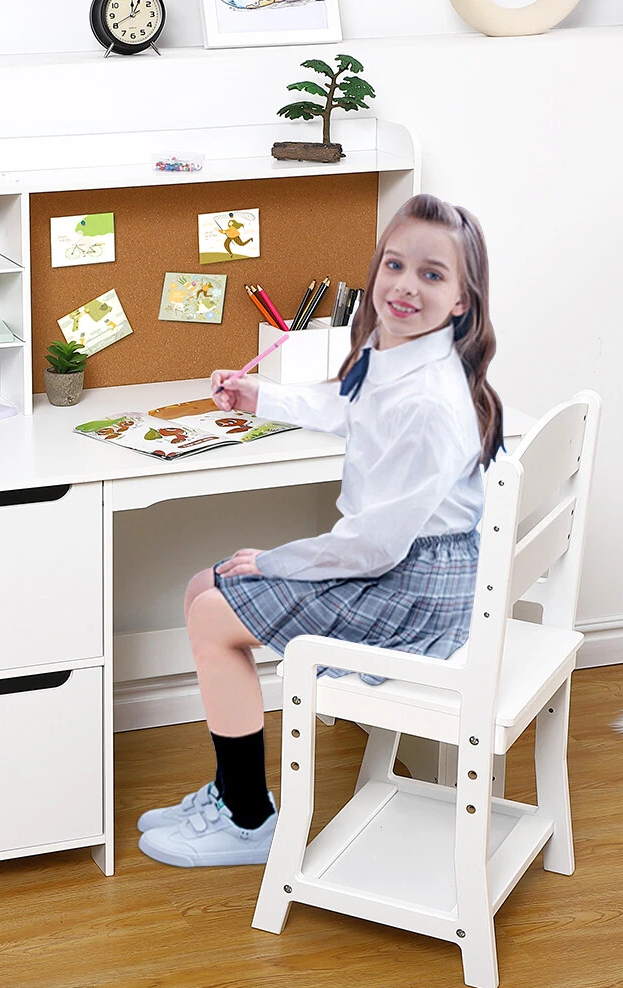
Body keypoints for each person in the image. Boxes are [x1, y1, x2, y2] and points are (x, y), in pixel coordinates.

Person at [137, 193, 504, 868]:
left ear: (460, 300)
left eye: (431, 274)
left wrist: (277, 560)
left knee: (213, 613)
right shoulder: (396, 352)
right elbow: (349, 407)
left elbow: (373, 545)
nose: (402, 285)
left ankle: (247, 819)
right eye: (394, 264)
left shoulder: (428, 401)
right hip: (406, 563)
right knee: (201, 587)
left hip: (414, 586)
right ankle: (232, 790)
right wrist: (261, 397)